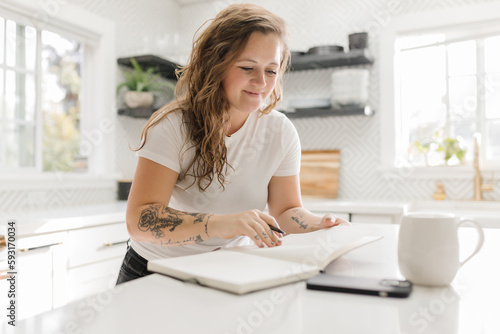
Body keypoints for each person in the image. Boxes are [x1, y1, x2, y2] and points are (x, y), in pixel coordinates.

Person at [116, 3, 348, 285]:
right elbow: (140, 220)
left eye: (271, 71)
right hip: (155, 271)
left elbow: (286, 212)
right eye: (247, 67)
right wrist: (218, 224)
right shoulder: (174, 126)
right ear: (216, 64)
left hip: (228, 270)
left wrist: (316, 223)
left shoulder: (280, 131)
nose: (261, 82)